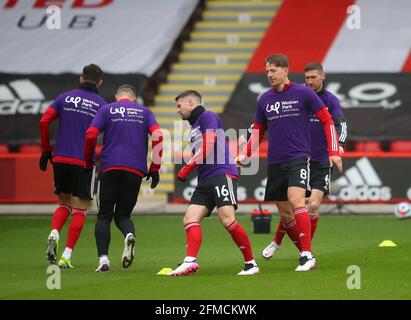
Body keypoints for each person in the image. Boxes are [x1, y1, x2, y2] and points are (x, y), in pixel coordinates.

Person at [237, 54, 342, 271]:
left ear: (285, 70)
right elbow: (258, 130)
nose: (269, 75)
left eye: (273, 70)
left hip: (299, 157)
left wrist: (334, 150)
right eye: (267, 71)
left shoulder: (303, 93)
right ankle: (304, 252)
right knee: (285, 213)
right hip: (275, 160)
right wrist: (245, 154)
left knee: (298, 201)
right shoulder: (264, 99)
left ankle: (305, 256)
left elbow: (327, 120)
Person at [169, 90, 259, 276]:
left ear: (191, 102)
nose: (177, 110)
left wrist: (187, 168)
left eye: (179, 105)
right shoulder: (194, 127)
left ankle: (251, 264)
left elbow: (209, 145)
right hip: (206, 178)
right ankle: (190, 261)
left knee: (227, 218)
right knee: (190, 218)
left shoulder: (207, 116)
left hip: (220, 174)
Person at [263, 62, 348, 257]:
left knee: (313, 205)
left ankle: (304, 250)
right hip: (301, 158)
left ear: (322, 77)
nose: (309, 81)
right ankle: (285, 244)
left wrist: (338, 148)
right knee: (295, 205)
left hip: (321, 161)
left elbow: (340, 124)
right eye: (307, 78)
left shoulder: (330, 100)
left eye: (313, 77)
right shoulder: (298, 96)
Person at [84, 84, 163, 272]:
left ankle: (103, 260)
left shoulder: (106, 109)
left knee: (104, 215)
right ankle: (129, 234)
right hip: (135, 170)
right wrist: (155, 167)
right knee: (123, 215)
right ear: (134, 98)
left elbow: (90, 135)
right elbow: (158, 136)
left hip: (110, 167)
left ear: (116, 96)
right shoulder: (145, 112)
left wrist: (90, 161)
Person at [40, 64, 106, 268]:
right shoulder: (102, 105)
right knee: (80, 209)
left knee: (64, 203)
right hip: (83, 161)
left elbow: (44, 121)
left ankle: (54, 232)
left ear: (81, 78)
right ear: (100, 82)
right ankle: (66, 256)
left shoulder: (64, 97)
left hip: (60, 159)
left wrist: (46, 150)